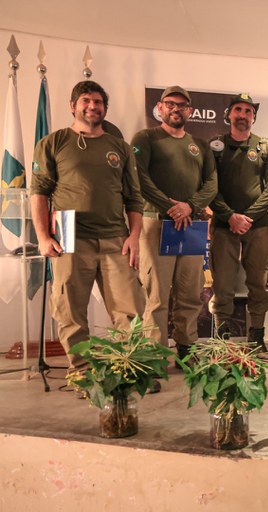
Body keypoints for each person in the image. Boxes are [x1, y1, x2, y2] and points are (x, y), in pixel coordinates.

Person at [30, 81, 144, 371]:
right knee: (70, 310)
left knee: (130, 309)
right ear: (73, 105)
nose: (92, 106)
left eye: (98, 102)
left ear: (105, 108)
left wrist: (134, 237)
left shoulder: (119, 147)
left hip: (115, 238)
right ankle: (81, 371)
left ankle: (127, 369)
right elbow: (39, 194)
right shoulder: (53, 143)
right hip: (68, 238)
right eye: (85, 101)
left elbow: (133, 198)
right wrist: (43, 237)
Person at [131, 85, 217, 361]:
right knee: (157, 295)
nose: (176, 109)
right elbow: (139, 179)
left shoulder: (200, 145)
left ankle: (186, 346)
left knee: (190, 292)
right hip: (156, 223)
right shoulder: (146, 138)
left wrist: (189, 206)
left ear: (189, 110)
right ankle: (154, 354)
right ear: (160, 107)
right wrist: (170, 206)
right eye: (170, 104)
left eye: (182, 105)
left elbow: (212, 183)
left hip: (191, 225)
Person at [208, 93, 268, 356]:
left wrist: (246, 217)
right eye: (238, 109)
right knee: (222, 284)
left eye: (248, 111)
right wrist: (230, 217)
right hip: (224, 228)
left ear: (254, 117)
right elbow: (209, 187)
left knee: (258, 284)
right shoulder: (214, 146)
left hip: (257, 227)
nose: (242, 115)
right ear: (229, 115)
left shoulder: (265, 147)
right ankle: (223, 340)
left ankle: (256, 338)